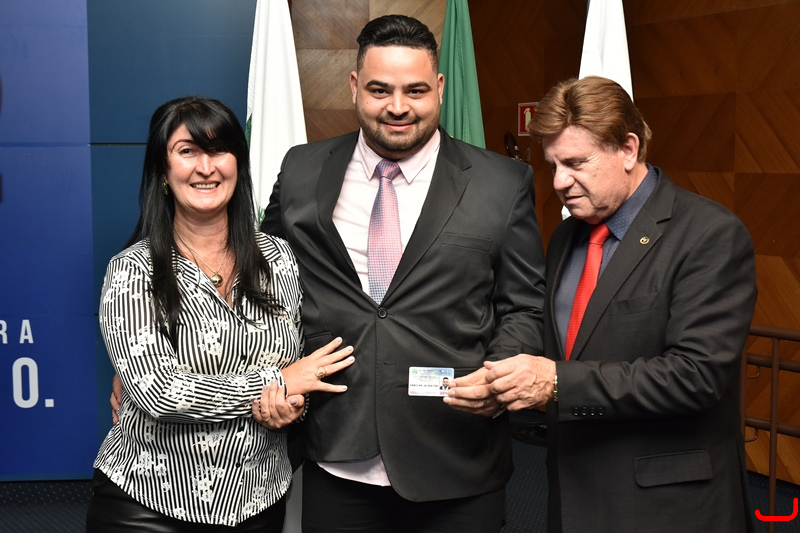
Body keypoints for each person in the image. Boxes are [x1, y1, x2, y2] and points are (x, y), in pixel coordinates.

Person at [257, 14, 546, 533]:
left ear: (440, 88)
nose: (397, 107)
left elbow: (524, 303)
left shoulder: (502, 183)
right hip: (336, 449)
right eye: (379, 90)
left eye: (415, 90)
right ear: (354, 87)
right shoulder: (302, 169)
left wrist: (498, 374)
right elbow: (258, 279)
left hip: (456, 454)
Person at [470, 76, 758, 532]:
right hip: (573, 494)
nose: (559, 182)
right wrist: (499, 376)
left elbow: (696, 377)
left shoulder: (709, 235)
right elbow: (561, 340)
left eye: (575, 163)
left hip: (669, 507)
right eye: (553, 165)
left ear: (627, 149)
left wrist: (555, 382)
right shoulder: (566, 236)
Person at [88, 96, 354, 532]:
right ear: (162, 171)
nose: (206, 167)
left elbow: (301, 368)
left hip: (259, 501)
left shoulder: (279, 259)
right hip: (149, 506)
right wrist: (277, 382)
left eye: (219, 150)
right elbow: (160, 393)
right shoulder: (133, 271)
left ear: (238, 164)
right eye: (187, 151)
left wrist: (291, 404)